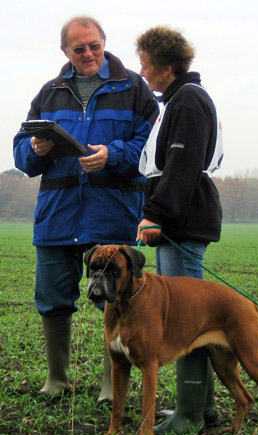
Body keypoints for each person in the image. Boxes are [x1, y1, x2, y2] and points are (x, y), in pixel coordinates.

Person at [13, 16, 158, 398]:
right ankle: (56, 380)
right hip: (57, 217)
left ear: (104, 42)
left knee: (117, 300)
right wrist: (34, 150)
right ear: (66, 52)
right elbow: (20, 153)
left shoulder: (135, 88)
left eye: (94, 45)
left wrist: (113, 154)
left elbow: (149, 147)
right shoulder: (50, 92)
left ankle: (112, 385)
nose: (89, 53)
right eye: (79, 48)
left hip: (111, 214)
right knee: (52, 299)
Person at [135, 26, 223, 435]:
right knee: (192, 318)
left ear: (166, 68)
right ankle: (201, 410)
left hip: (181, 222)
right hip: (180, 220)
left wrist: (156, 214)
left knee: (188, 320)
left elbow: (182, 166)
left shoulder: (187, 101)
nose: (143, 72)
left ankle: (187, 415)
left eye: (146, 65)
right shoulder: (179, 99)